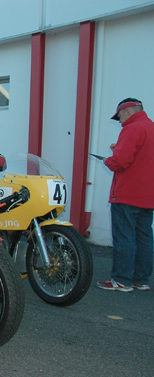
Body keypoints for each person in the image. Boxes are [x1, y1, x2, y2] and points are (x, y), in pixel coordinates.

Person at [97, 98, 154, 292]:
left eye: (119, 116)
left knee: (124, 237)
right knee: (145, 237)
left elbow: (120, 162)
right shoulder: (150, 127)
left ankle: (121, 280)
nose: (119, 120)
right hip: (148, 194)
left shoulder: (132, 129)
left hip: (127, 193)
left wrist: (109, 160)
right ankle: (142, 279)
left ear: (127, 111)